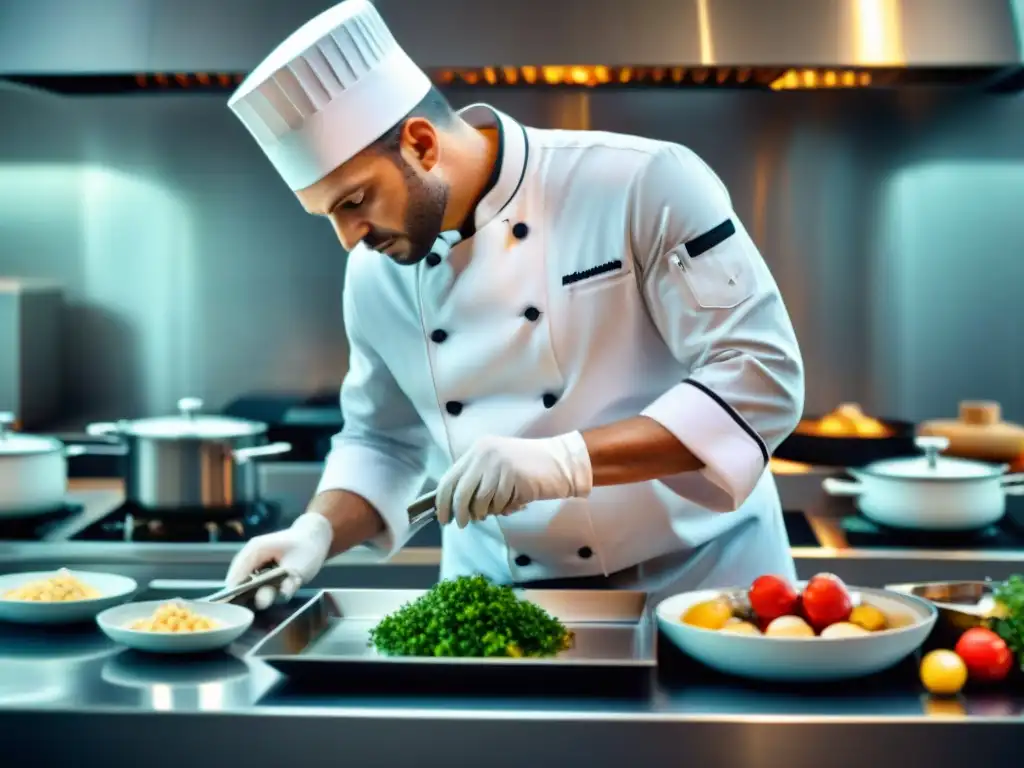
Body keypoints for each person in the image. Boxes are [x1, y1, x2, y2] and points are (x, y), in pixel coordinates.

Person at [224, 0, 805, 609]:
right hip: (499, 603)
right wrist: (314, 532)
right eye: (328, 215)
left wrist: (563, 461)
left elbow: (758, 377)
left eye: (353, 202)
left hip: (700, 587)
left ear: (421, 144)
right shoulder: (375, 273)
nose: (348, 238)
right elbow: (381, 441)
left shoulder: (640, 182)